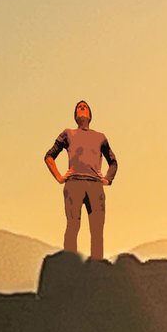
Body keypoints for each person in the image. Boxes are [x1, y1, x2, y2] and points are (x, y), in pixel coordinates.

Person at [44, 100, 118, 259]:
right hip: (74, 184)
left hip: (95, 186)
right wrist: (59, 177)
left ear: (90, 115)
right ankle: (71, 266)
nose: (82, 107)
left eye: (85, 107)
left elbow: (113, 162)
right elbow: (49, 156)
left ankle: (97, 267)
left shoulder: (100, 137)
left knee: (97, 230)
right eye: (79, 107)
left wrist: (107, 179)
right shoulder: (68, 133)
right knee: (73, 226)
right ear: (75, 116)